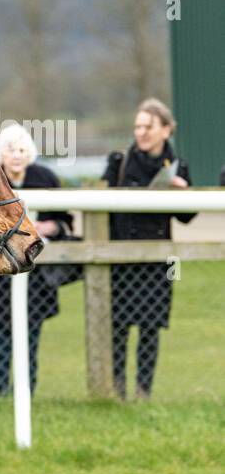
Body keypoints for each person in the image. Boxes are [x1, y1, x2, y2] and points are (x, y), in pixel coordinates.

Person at [103, 98, 194, 399]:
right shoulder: (119, 161)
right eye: (137, 126)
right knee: (118, 327)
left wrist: (182, 193)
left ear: (166, 130)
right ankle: (116, 392)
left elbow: (187, 218)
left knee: (151, 327)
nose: (141, 132)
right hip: (120, 255)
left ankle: (144, 393)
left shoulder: (179, 166)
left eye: (148, 126)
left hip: (161, 259)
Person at [0, 124, 74, 397]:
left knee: (31, 334)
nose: (16, 155)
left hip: (36, 272)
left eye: (21, 149)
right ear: (0, 153)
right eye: (10, 149)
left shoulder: (45, 178)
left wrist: (50, 228)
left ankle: (26, 391)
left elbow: (64, 221)